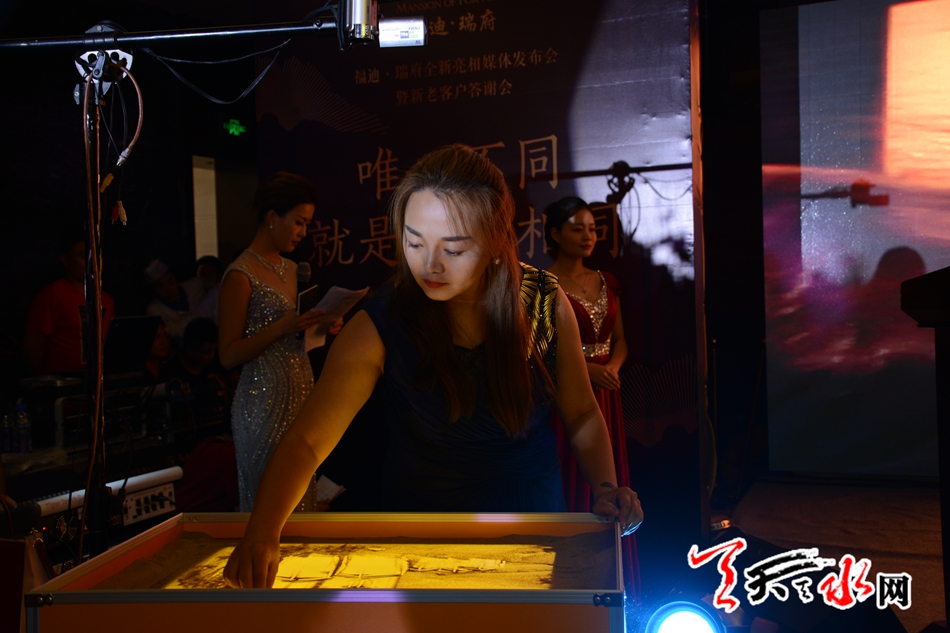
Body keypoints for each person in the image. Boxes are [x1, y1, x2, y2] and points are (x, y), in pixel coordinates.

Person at [224, 145, 642, 589]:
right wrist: (263, 529)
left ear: (494, 240)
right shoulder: (382, 320)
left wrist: (606, 487)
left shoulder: (543, 300)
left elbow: (582, 414)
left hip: (532, 524)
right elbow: (309, 440)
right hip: (424, 530)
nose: (429, 265)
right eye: (415, 242)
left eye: (453, 249)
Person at [218, 172, 333, 513]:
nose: (303, 232)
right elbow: (227, 355)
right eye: (299, 222)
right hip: (261, 402)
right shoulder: (240, 274)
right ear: (272, 217)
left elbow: (295, 335)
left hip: (300, 392)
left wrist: (320, 327)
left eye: (307, 224)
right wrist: (280, 328)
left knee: (301, 498)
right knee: (269, 503)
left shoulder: (294, 269)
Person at [544, 195, 639, 594]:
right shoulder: (543, 286)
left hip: (608, 393)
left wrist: (613, 367)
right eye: (577, 228)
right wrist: (588, 371)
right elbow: (540, 353)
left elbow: (621, 340)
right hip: (569, 394)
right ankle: (572, 587)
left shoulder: (606, 281)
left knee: (610, 481)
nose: (587, 236)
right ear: (555, 233)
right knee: (571, 475)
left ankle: (615, 585)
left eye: (592, 229)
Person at [23, 232, 115, 375]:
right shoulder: (53, 294)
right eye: (83, 257)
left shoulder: (106, 299)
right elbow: (33, 349)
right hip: (61, 382)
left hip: (96, 380)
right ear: (65, 261)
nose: (92, 262)